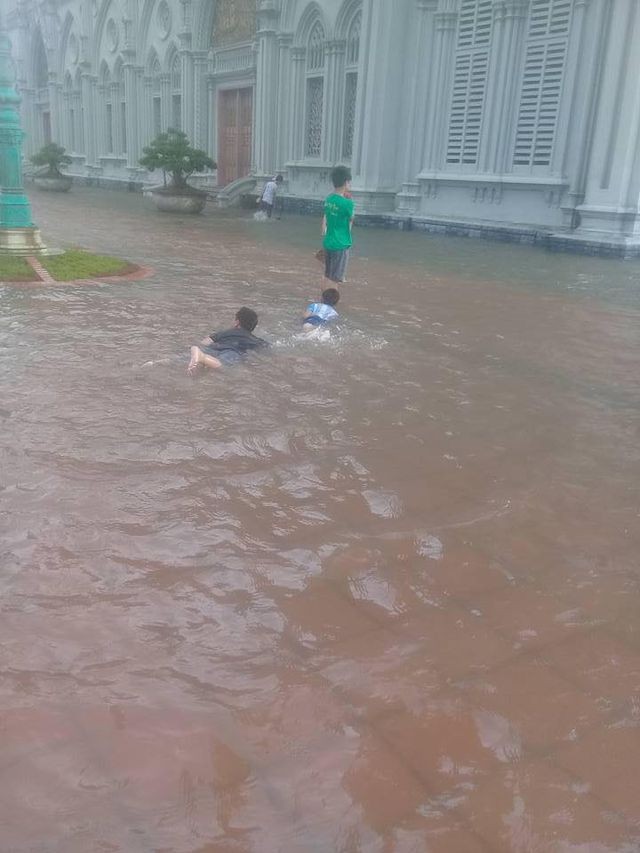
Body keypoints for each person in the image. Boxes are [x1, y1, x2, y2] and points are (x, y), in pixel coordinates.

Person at [188, 307, 268, 374]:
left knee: (186, 360)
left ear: (237, 322)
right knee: (225, 367)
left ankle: (200, 355)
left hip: (215, 347)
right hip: (233, 351)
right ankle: (203, 357)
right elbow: (265, 350)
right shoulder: (255, 340)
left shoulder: (226, 332)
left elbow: (205, 342)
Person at [322, 165, 355, 283]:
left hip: (328, 242)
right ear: (346, 182)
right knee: (336, 280)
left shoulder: (329, 199)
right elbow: (351, 220)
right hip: (341, 244)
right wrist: (349, 201)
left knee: (327, 276)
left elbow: (326, 218)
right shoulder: (348, 203)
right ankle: (330, 301)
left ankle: (324, 300)